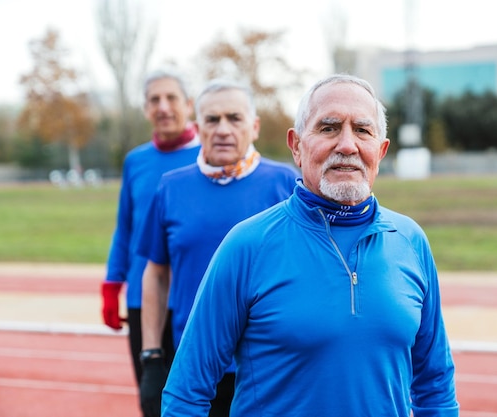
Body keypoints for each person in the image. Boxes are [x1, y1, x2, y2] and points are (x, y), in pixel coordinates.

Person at [161, 74, 459, 417]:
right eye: (329, 128)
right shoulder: (246, 246)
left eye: (362, 130)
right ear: (296, 146)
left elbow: (436, 388)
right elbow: (185, 394)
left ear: (381, 150)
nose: (347, 145)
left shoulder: (411, 242)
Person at [137, 78, 298, 417]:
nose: (223, 129)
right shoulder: (170, 188)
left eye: (234, 118)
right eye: (212, 120)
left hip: (270, 368)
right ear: (197, 127)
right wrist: (151, 356)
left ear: (253, 127)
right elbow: (156, 274)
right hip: (196, 367)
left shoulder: (287, 184)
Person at [100, 68, 200, 391]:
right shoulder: (135, 161)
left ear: (189, 104)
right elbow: (125, 228)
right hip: (143, 300)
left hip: (192, 297)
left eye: (171, 98)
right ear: (145, 109)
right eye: (154, 100)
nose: (163, 107)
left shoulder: (209, 156)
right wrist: (112, 285)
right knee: (151, 398)